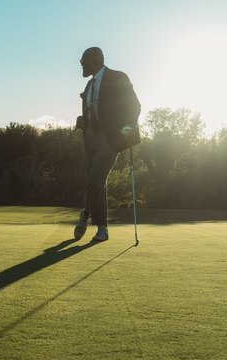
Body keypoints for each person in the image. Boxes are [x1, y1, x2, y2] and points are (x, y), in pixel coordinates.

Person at [74, 47, 141, 242]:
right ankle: (102, 229)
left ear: (93, 60)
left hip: (109, 139)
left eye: (82, 62)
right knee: (96, 183)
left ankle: (85, 214)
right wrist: (83, 120)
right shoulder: (88, 86)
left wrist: (126, 132)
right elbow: (91, 112)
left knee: (94, 181)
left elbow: (134, 107)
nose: (80, 65)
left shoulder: (118, 78)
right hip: (89, 138)